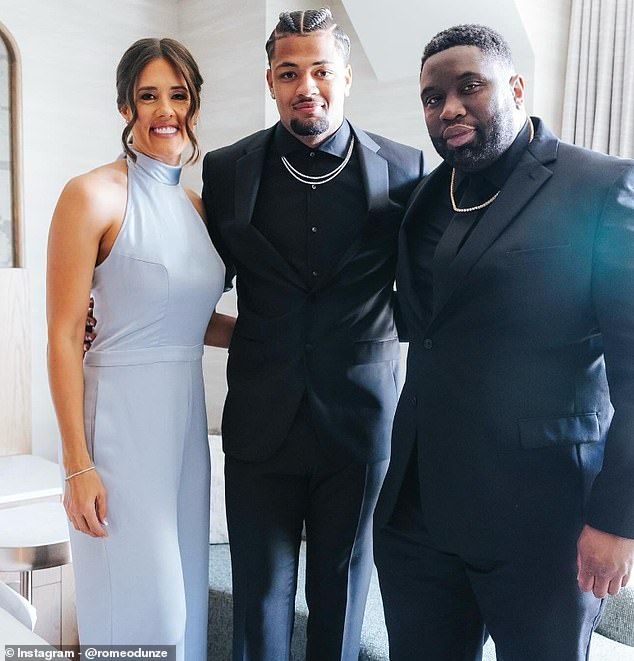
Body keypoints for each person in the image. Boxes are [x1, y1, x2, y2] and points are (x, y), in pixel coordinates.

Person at [373, 23, 634, 661]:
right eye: (433, 98)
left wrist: (617, 521)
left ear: (515, 86)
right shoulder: (425, 199)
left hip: (541, 519)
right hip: (419, 512)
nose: (449, 108)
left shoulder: (598, 186)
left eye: (470, 88)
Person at [202, 8, 424, 661]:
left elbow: (424, 289)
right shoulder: (226, 170)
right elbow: (194, 281)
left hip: (359, 429)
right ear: (271, 81)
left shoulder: (405, 169)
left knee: (343, 605)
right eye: (290, 72)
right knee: (258, 608)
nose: (308, 86)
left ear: (346, 76)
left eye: (322, 70)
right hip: (258, 424)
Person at [46, 38, 234, 659]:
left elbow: (190, 320)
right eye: (148, 95)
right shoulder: (90, 194)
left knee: (184, 607)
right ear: (125, 105)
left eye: (177, 95)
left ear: (195, 103)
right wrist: (77, 465)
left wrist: (291, 340)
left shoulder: (196, 206)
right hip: (120, 425)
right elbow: (65, 333)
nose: (165, 109)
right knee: (144, 610)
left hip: (183, 424)